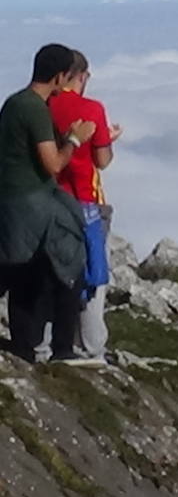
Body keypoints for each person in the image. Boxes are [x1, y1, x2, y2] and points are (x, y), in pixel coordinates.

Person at [0, 44, 95, 364]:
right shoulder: (35, 109)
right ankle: (62, 348)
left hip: (13, 198)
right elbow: (53, 164)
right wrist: (75, 139)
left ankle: (25, 344)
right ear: (59, 76)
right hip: (32, 199)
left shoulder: (15, 103)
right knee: (69, 257)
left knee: (25, 269)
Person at [47, 50, 119, 364]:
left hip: (49, 198)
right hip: (86, 200)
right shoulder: (92, 108)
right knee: (93, 274)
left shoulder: (43, 106)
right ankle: (92, 347)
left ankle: (47, 340)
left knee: (51, 271)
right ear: (81, 75)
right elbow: (102, 160)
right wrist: (108, 139)